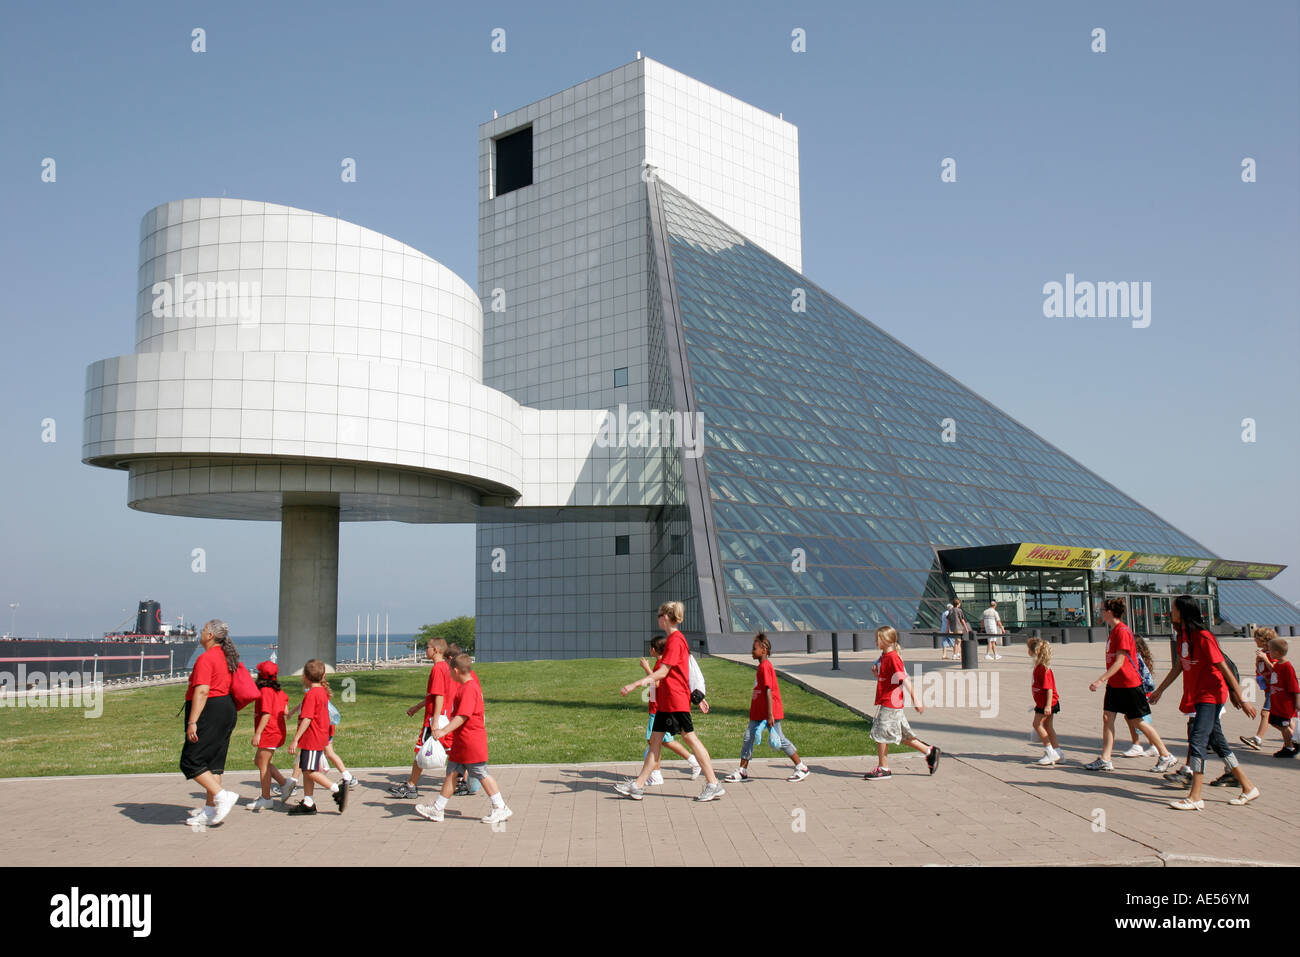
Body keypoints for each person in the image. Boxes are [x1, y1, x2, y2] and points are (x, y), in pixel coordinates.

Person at [1149, 595, 1259, 809]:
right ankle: (1248, 787)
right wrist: (1160, 690)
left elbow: (1223, 668)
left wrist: (1243, 699)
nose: (1169, 613)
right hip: (1196, 695)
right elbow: (1178, 666)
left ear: (1183, 611)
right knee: (1218, 743)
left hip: (1211, 695)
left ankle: (1195, 797)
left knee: (1198, 740)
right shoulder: (1182, 636)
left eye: (1173, 609)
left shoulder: (1204, 636)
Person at [614, 601, 724, 801]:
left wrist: (636, 684)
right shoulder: (674, 639)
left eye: (658, 615)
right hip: (665, 703)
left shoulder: (675, 640)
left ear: (665, 617)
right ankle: (638, 786)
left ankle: (713, 783)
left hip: (675, 701)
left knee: (690, 739)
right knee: (655, 741)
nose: (657, 619)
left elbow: (664, 671)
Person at [414, 654, 513, 824]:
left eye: (450, 671)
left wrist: (442, 731)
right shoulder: (464, 687)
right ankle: (438, 809)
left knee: (481, 773)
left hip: (471, 740)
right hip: (462, 741)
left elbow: (462, 716)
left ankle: (500, 807)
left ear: (456, 670)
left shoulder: (468, 688)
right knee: (452, 773)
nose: (449, 675)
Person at [1085, 598, 1177, 773]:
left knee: (1137, 721)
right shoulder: (1113, 631)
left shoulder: (1123, 631)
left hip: (1128, 684)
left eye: (1102, 609)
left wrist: (1100, 679)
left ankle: (1166, 755)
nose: (1100, 612)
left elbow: (1120, 662)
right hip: (1116, 685)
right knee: (1107, 718)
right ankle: (1105, 759)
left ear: (1110, 612)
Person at [723, 633, 811, 782]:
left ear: (763, 650)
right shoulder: (761, 667)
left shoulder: (765, 667)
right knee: (748, 738)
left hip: (769, 712)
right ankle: (742, 771)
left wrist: (770, 715)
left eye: (754, 648)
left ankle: (801, 767)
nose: (752, 651)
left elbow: (769, 690)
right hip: (758, 712)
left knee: (780, 740)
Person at [181, 620, 241, 826]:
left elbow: (202, 690)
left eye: (204, 629)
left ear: (210, 636)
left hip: (210, 710)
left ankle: (222, 796)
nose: (201, 631)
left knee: (191, 760)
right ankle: (210, 811)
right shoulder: (226, 657)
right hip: (226, 709)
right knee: (214, 763)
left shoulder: (206, 658)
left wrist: (193, 721)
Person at [864, 626, 940, 780]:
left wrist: (915, 698)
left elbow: (904, 678)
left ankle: (883, 768)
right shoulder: (884, 656)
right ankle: (929, 752)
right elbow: (888, 676)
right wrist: (877, 673)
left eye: (878, 638)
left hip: (890, 702)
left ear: (886, 640)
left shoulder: (893, 657)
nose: (875, 641)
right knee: (904, 736)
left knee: (880, 733)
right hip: (889, 700)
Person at [390, 637, 453, 799]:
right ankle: (468, 778)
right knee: (452, 750)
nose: (426, 650)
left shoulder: (438, 669)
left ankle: (411, 786)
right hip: (443, 716)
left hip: (434, 718)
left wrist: (435, 721)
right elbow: (433, 695)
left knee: (421, 749)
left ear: (436, 650)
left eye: (428, 647)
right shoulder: (445, 667)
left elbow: (439, 696)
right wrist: (417, 707)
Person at [287, 659, 348, 815]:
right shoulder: (322, 692)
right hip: (318, 737)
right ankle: (308, 802)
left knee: (309, 770)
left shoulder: (311, 695)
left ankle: (337, 789)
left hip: (312, 738)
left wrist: (295, 739)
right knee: (307, 769)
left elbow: (307, 718)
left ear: (305, 676)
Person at [640, 636, 703, 785]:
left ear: (654, 650)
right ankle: (692, 761)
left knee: (654, 741)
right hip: (660, 707)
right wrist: (652, 693)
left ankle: (656, 774)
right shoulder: (660, 663)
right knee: (665, 741)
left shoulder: (660, 664)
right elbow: (658, 686)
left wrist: (646, 669)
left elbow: (656, 681)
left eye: (651, 647)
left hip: (658, 710)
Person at [248, 660, 289, 811]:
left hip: (269, 731)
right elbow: (285, 711)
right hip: (277, 731)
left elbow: (266, 713)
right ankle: (285, 784)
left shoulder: (265, 691)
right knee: (259, 761)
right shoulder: (280, 692)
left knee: (263, 765)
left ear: (261, 675)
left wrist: (257, 733)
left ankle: (266, 798)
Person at [1239, 627, 1277, 751]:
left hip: (1276, 689)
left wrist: (1265, 659)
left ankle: (1257, 739)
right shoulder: (1262, 653)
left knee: (1265, 713)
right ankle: (1294, 737)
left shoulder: (1273, 653)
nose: (1254, 640)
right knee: (1281, 718)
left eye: (1256, 638)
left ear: (1264, 640)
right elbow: (1261, 670)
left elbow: (1276, 671)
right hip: (1269, 689)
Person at [1027, 637, 1062, 765]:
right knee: (1048, 726)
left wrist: (1047, 706)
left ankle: (1050, 751)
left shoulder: (1044, 669)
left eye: (1028, 649)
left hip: (1047, 703)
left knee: (1037, 724)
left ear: (1034, 651)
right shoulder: (1038, 667)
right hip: (1043, 703)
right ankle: (1058, 752)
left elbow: (1049, 689)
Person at [1263, 637, 1298, 758]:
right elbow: (1275, 675)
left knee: (1283, 726)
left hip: (1285, 704)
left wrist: (1297, 702)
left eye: (1270, 651)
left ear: (1277, 652)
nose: (1269, 653)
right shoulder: (1278, 665)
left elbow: (1295, 687)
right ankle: (1292, 742)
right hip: (1277, 703)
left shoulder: (1287, 667)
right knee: (1275, 722)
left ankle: (1290, 747)